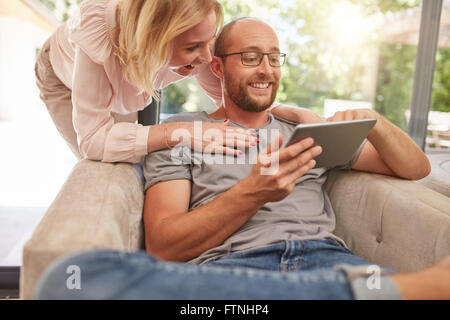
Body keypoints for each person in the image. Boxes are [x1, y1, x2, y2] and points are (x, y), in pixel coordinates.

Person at [34, 19, 450, 300]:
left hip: (328, 260)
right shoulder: (182, 133)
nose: (266, 70)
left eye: (273, 57)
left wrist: (375, 120)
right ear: (216, 66)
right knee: (74, 280)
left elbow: (416, 168)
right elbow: (164, 247)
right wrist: (253, 192)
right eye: (250, 57)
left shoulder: (302, 130)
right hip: (232, 275)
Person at [34, 0, 307, 173]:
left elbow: (239, 105)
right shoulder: (98, 32)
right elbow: (93, 141)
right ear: (153, 40)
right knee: (102, 166)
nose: (206, 58)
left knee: (135, 161)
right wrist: (177, 131)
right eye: (191, 48)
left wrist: (300, 117)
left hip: (132, 72)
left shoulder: (199, 40)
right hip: (62, 78)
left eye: (209, 41)